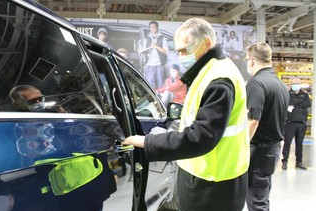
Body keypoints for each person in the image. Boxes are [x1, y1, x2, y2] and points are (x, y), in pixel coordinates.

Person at [123, 18, 249, 211]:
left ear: (206, 43)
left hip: (212, 185)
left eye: (184, 50)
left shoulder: (219, 80)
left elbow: (200, 137)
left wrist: (148, 142)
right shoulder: (211, 70)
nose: (181, 56)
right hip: (212, 177)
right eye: (178, 51)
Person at [244, 42, 290, 211]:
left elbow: (253, 120)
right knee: (261, 197)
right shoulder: (279, 84)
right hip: (272, 149)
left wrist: (241, 146)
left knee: (256, 200)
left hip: (258, 151)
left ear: (252, 60)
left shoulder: (256, 84)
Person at [281, 77, 310, 170]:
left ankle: (299, 162)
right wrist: (298, 103)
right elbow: (287, 102)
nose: (296, 85)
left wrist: (294, 104)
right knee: (287, 143)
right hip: (290, 123)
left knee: (299, 143)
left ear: (300, 84)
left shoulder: (304, 95)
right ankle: (285, 161)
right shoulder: (287, 94)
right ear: (291, 84)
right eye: (294, 83)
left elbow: (307, 104)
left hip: (301, 123)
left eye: (297, 83)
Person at [139, 21, 168, 89]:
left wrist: (155, 46)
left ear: (157, 28)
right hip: (149, 64)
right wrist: (140, 51)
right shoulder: (146, 39)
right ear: (150, 28)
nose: (153, 29)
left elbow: (166, 52)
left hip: (159, 64)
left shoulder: (162, 38)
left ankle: (160, 98)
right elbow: (142, 50)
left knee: (160, 84)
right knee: (150, 85)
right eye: (151, 27)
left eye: (154, 27)